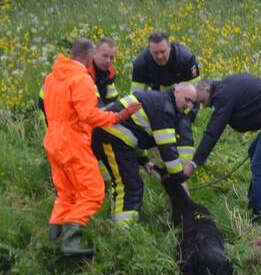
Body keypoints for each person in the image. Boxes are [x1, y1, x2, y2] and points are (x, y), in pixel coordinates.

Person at [42, 37, 141, 257]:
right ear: (89, 56)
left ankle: (54, 239)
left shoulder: (52, 77)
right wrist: (118, 116)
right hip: (73, 142)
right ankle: (70, 243)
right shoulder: (81, 79)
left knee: (66, 193)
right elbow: (89, 115)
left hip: (52, 140)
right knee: (93, 193)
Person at [188, 75, 261, 223]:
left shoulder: (222, 96)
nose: (204, 106)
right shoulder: (228, 84)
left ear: (208, 89)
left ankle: (260, 217)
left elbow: (213, 131)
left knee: (260, 166)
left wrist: (195, 162)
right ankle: (254, 201)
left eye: (202, 101)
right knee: (253, 152)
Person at [91, 83, 197, 226]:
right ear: (177, 90)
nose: (189, 106)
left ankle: (118, 222)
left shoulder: (161, 102)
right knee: (130, 187)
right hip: (112, 138)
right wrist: (180, 178)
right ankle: (123, 232)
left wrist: (144, 160)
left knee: (126, 183)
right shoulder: (164, 108)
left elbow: (135, 132)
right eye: (187, 99)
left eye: (192, 102)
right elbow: (168, 150)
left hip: (114, 138)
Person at [37, 36, 120, 119]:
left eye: (112, 57)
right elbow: (94, 111)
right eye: (105, 56)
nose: (108, 60)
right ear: (94, 53)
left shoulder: (109, 74)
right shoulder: (83, 72)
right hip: (51, 109)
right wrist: (115, 117)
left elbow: (112, 103)